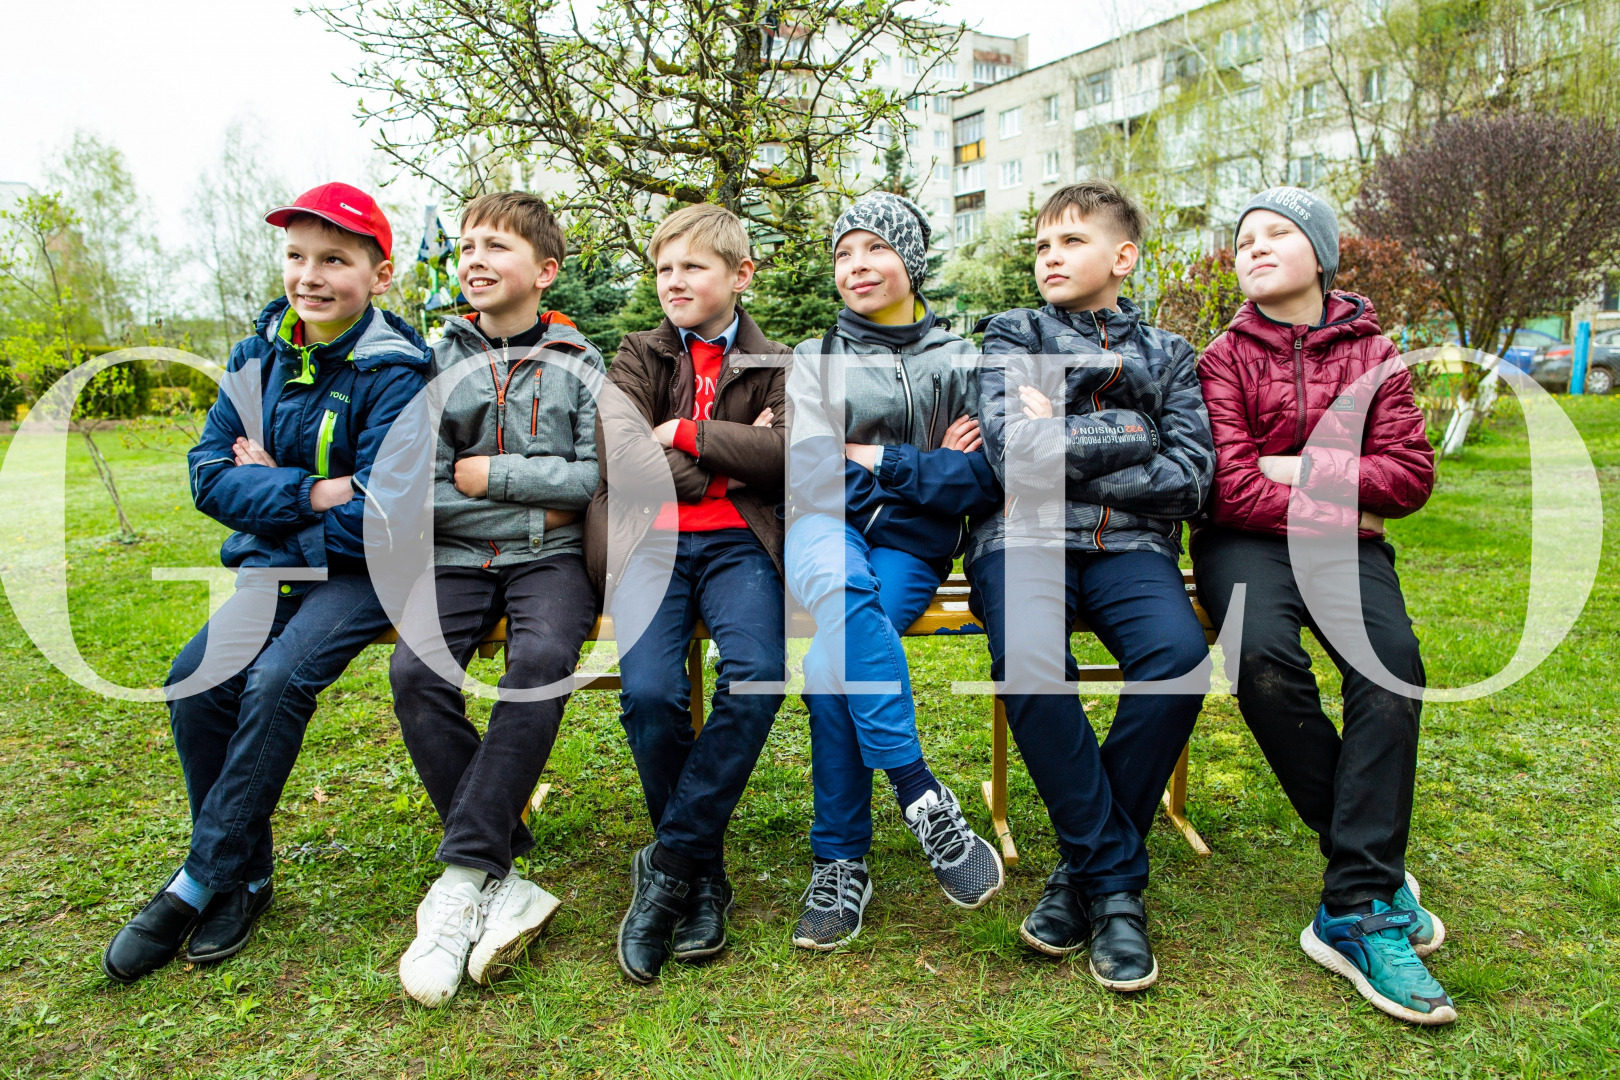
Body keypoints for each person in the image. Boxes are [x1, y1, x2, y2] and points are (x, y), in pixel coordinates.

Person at [102, 183, 431, 983]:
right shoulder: (256, 358)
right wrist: (315, 489)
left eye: (334, 260)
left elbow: (387, 517)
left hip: (366, 575)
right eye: (296, 256)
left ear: (379, 275)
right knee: (195, 677)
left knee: (279, 679)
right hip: (280, 565)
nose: (309, 276)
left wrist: (276, 495)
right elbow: (209, 478)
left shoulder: (397, 372)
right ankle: (246, 875)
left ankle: (197, 880)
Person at [1192, 186, 1453, 1025]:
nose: (1255, 248)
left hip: (1347, 550)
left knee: (1392, 669)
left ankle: (1352, 901)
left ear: (1321, 253)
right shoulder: (1221, 359)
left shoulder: (1376, 353)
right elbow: (1229, 488)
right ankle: (1369, 876)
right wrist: (1346, 491)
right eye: (1244, 241)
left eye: (1276, 234)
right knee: (1262, 659)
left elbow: (1409, 478)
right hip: (1248, 546)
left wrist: (1296, 469)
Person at [967, 179, 1215, 992]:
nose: (1049, 257)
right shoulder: (1010, 334)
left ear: (1122, 256)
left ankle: (1080, 872)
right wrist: (1133, 431)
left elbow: (1192, 478)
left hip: (1133, 549)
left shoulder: (1171, 354)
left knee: (1180, 660)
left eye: (1069, 242)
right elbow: (1015, 455)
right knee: (1034, 669)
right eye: (1041, 245)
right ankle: (1113, 885)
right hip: (1022, 539)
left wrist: (1063, 438)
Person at [388, 192, 604, 1007]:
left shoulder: (581, 363)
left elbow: (591, 480)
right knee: (416, 675)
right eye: (467, 246)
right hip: (454, 557)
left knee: (543, 661)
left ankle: (461, 880)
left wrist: (497, 477)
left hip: (550, 558)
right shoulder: (438, 362)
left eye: (496, 247)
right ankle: (496, 866)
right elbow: (422, 487)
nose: (474, 259)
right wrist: (526, 497)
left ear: (543, 272)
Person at [783, 192, 1005, 952]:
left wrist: (875, 459)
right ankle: (920, 791)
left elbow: (984, 481)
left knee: (825, 665)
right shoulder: (814, 360)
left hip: (913, 548)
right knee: (844, 594)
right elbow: (813, 470)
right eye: (843, 254)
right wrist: (928, 467)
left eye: (873, 249)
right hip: (825, 530)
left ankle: (841, 858)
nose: (856, 267)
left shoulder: (962, 359)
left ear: (908, 260)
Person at [583, 204, 789, 984]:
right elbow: (620, 457)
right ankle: (702, 874)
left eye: (693, 267)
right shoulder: (637, 353)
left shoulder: (778, 363)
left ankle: (670, 865)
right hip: (652, 543)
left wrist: (682, 434)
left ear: (739, 275)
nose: (675, 281)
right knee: (649, 694)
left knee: (758, 677)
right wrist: (734, 458)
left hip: (741, 542)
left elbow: (792, 455)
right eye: (664, 268)